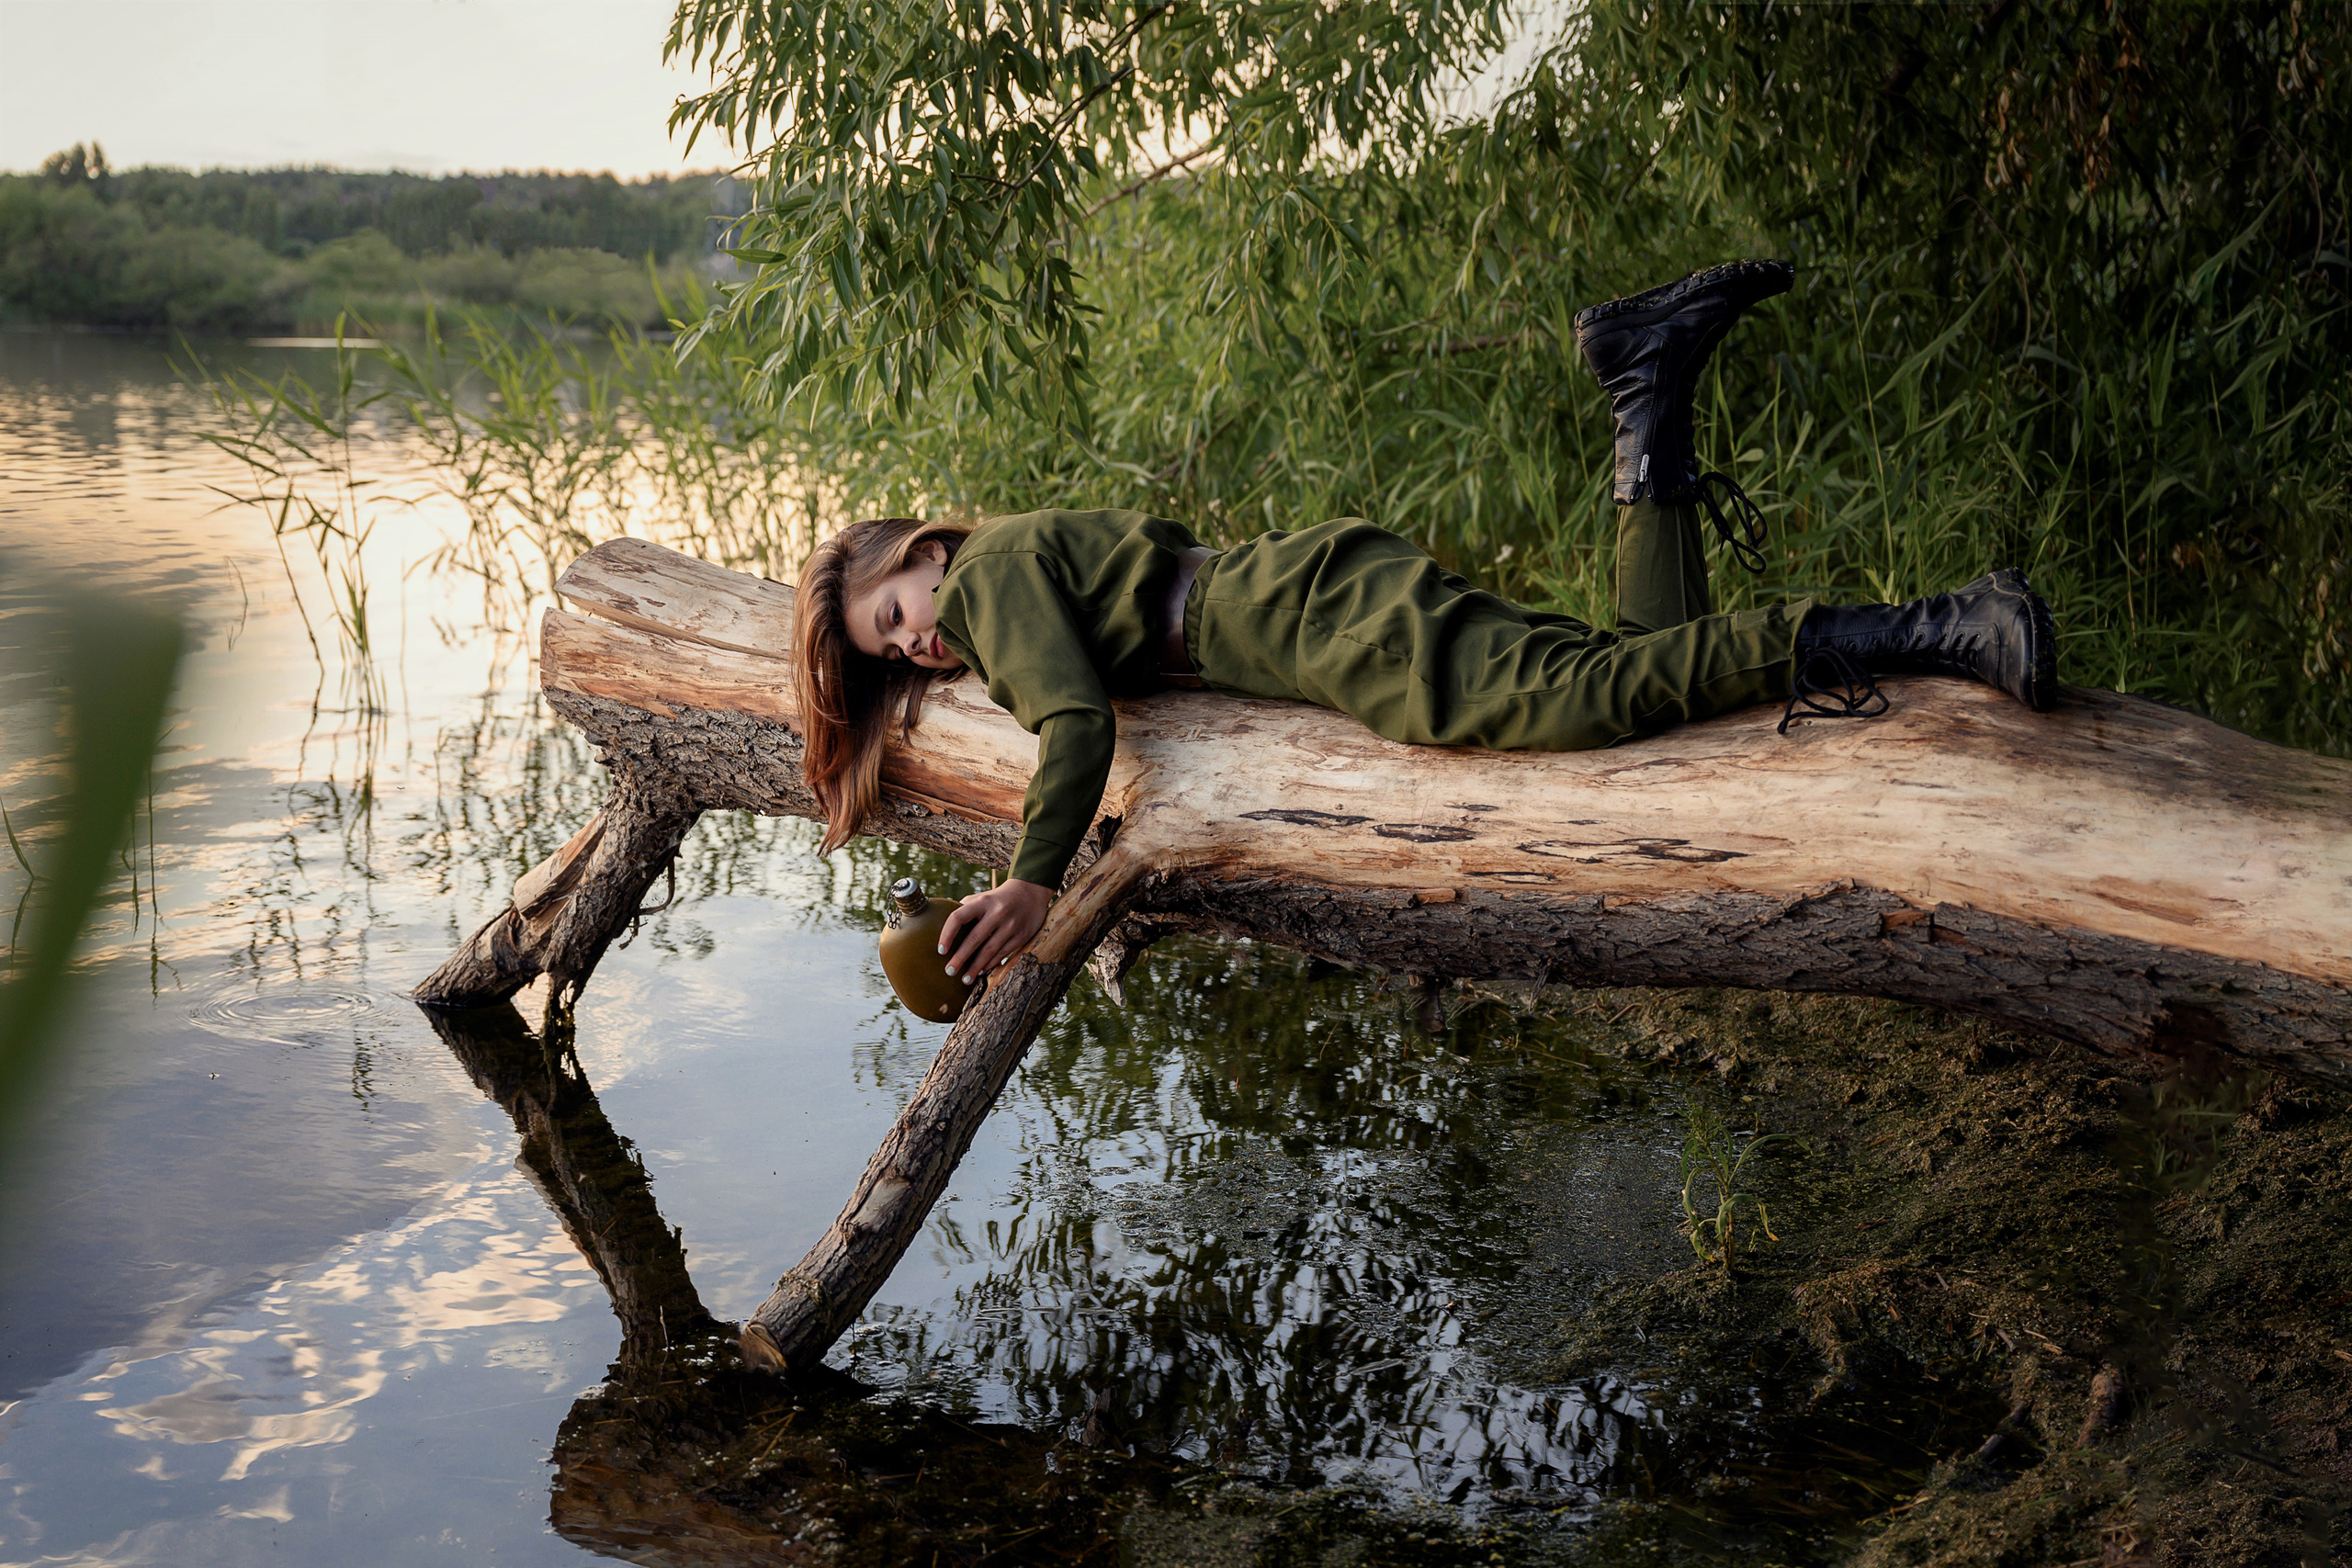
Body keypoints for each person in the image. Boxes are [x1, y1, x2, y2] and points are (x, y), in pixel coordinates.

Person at [793, 260, 2056, 992]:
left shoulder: (991, 576)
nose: (916, 643)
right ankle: (1648, 383)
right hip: (1316, 605)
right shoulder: (1005, 574)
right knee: (1623, 680)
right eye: (894, 651)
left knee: (1592, 704)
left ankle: (1943, 628)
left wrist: (1031, 878)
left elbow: (1071, 722)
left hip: (1326, 626)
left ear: (931, 552)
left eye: (896, 612)